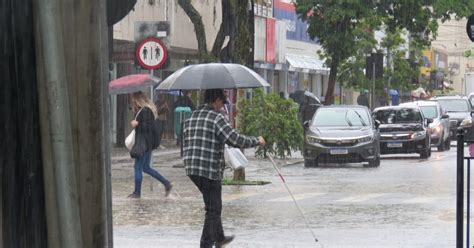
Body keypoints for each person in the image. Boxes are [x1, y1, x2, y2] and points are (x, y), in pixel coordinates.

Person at [182, 89, 266, 248]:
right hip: (209, 169)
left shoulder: (191, 116)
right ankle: (205, 244)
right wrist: (257, 141)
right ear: (215, 100)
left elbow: (185, 141)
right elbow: (234, 139)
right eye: (222, 102)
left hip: (192, 168)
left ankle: (219, 237)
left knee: (213, 204)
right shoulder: (216, 118)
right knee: (213, 209)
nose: (222, 106)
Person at [128, 91, 173, 198]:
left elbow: (148, 127)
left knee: (138, 167)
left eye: (133, 100)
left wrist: (137, 123)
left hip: (143, 144)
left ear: (137, 100)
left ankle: (137, 192)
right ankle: (167, 183)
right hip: (147, 143)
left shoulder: (145, 110)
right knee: (146, 167)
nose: (132, 103)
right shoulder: (144, 110)